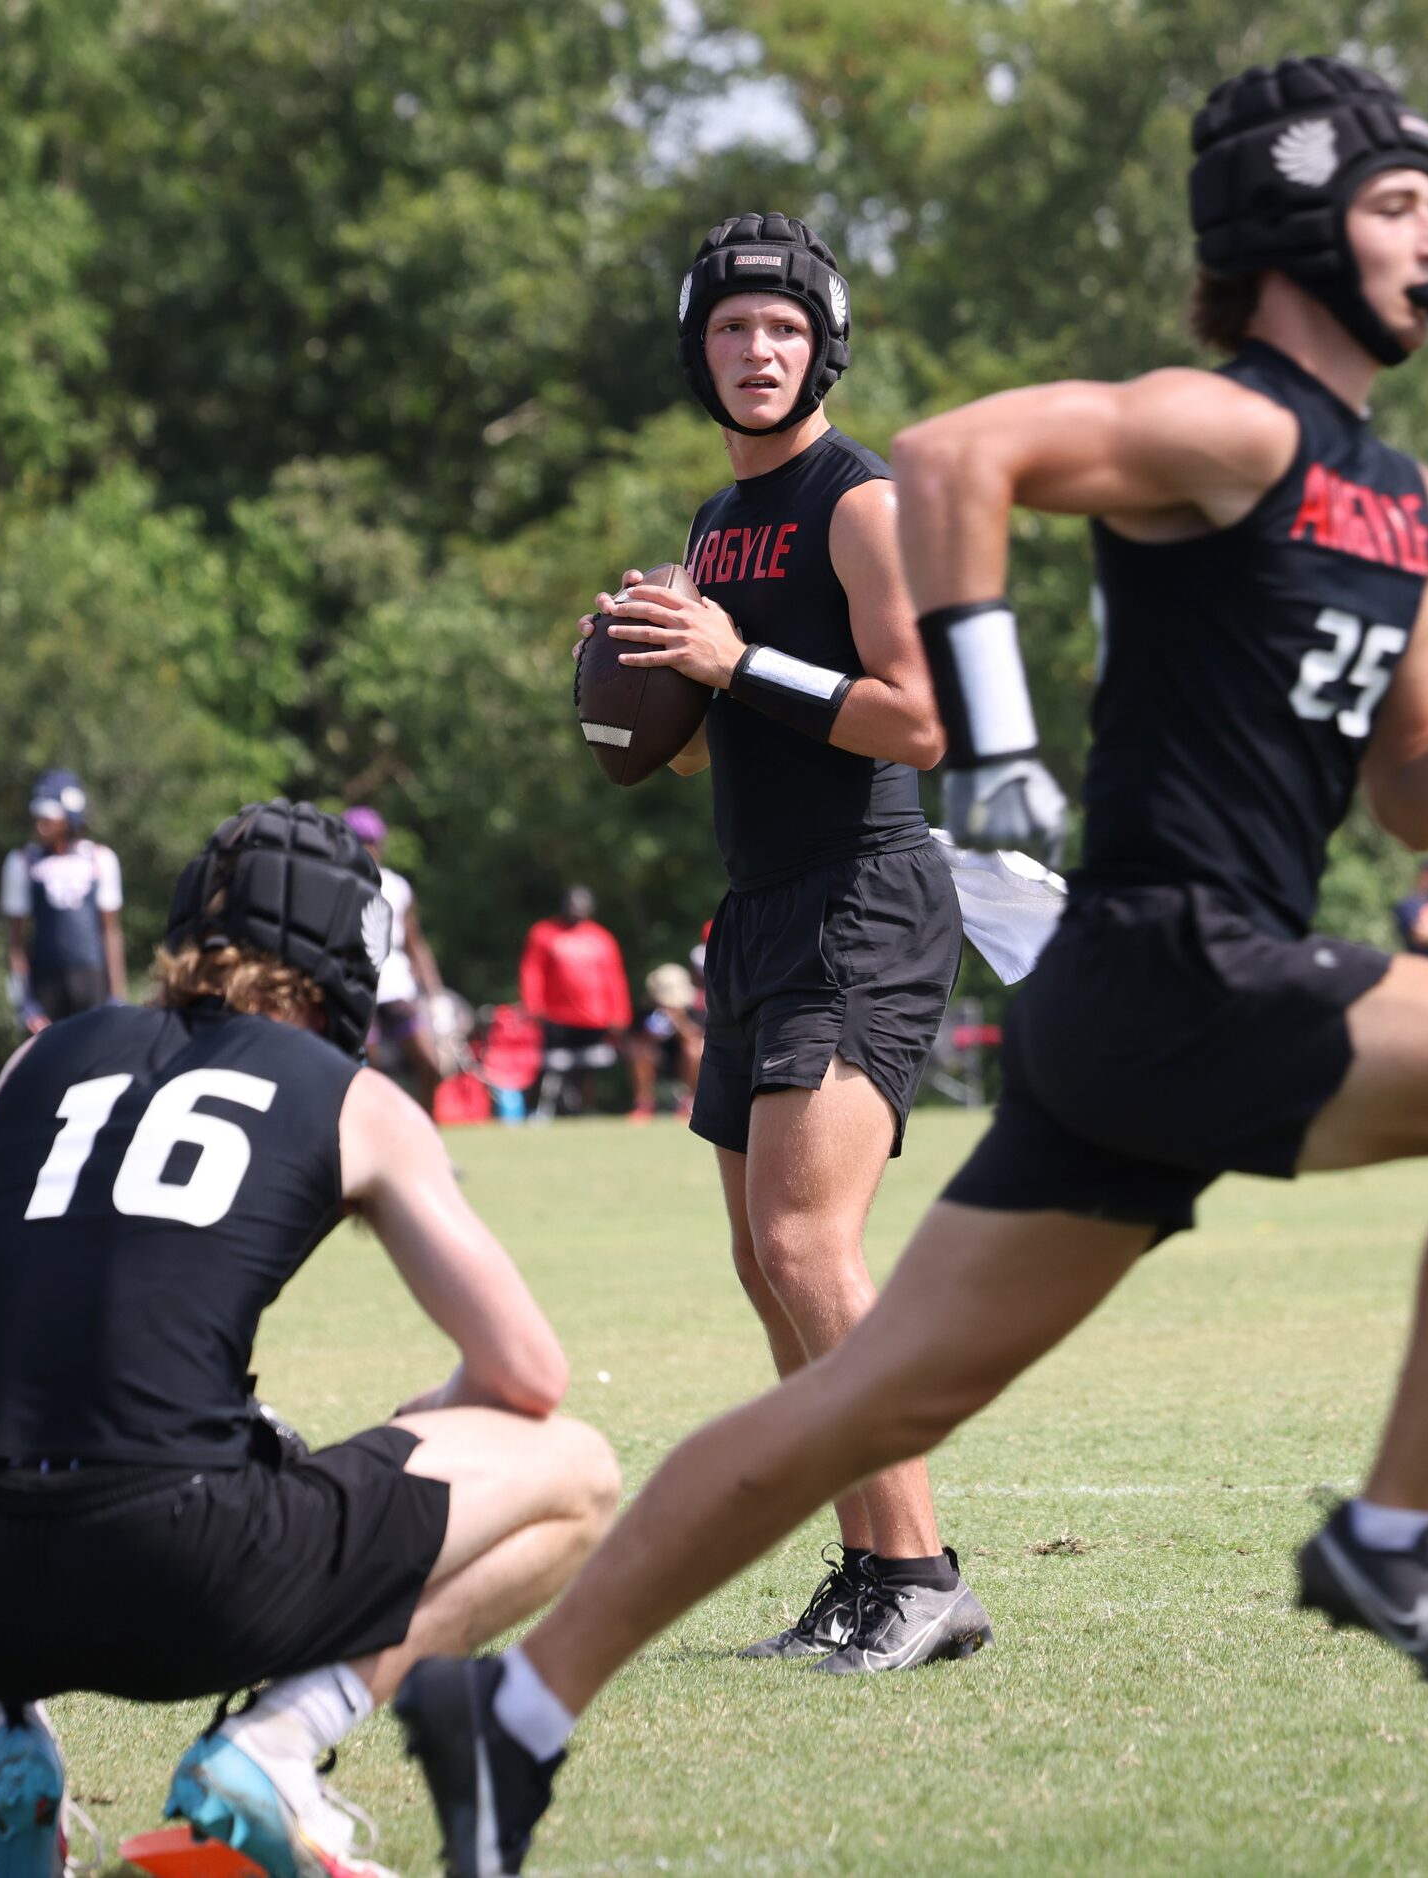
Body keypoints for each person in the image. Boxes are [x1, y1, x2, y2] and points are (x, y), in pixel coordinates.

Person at [393, 60, 1428, 1874]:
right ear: (1302, 230)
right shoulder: (1240, 427)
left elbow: (1418, 799)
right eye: (1401, 204)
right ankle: (1396, 1529)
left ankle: (510, 1712)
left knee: (861, 1378)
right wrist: (980, 726)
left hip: (1127, 993)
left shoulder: (1407, 499)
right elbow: (962, 451)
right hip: (1178, 959)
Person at [0, 801, 618, 1878]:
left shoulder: (33, 1063)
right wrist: (437, 1408)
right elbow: (530, 1373)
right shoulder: (355, 1098)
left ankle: (7, 1745)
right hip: (178, 1570)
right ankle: (272, 1751)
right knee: (578, 1472)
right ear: (349, 958)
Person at [571, 212, 986, 1672]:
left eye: (784, 329)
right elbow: (703, 748)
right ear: (700, 349)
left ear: (824, 347)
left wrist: (734, 657)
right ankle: (869, 1574)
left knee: (814, 1243)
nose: (759, 352)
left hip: (863, 894)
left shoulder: (855, 498)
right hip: (759, 902)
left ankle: (925, 1571)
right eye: (734, 329)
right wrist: (652, 672)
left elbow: (921, 717)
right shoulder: (712, 522)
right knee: (767, 1259)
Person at [1, 770, 127, 1032]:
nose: (40, 824)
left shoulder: (100, 859)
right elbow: (15, 942)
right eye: (38, 816)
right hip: (45, 990)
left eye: (48, 817)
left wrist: (118, 998)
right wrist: (24, 1004)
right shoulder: (22, 862)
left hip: (93, 988)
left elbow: (111, 933)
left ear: (69, 816)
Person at [342, 806, 447, 1110]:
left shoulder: (397, 886)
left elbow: (415, 943)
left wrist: (435, 994)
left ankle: (427, 1135)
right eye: (362, 842)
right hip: (359, 988)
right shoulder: (339, 885)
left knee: (431, 1065)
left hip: (397, 987)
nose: (370, 849)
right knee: (373, 1073)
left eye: (373, 842)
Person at [517, 887, 632, 1116]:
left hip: (594, 1020)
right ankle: (537, 1110)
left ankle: (582, 1109)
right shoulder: (544, 933)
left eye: (582, 905)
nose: (576, 909)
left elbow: (614, 978)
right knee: (549, 1066)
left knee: (587, 1068)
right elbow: (532, 972)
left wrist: (619, 1014)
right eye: (572, 904)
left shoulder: (602, 939)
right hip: (556, 1018)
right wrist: (533, 1006)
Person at [626, 961, 703, 1121]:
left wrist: (680, 1024)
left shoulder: (694, 1012)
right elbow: (633, 1041)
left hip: (683, 1062)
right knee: (639, 1051)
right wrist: (651, 1035)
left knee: (696, 1049)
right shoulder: (646, 1011)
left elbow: (698, 1039)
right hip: (656, 1060)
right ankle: (644, 1103)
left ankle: (689, 1102)